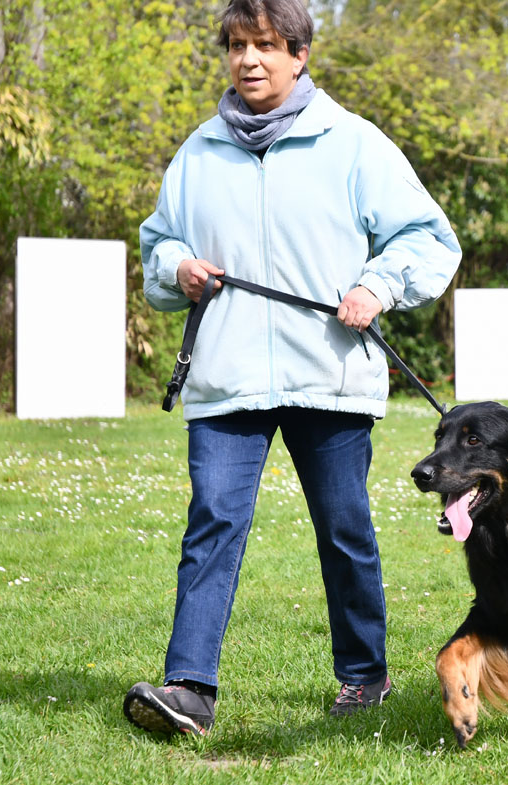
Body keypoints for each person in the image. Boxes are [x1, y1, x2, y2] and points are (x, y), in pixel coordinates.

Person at [122, 0, 461, 736]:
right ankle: (189, 690)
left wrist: (377, 285)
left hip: (330, 376)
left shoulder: (355, 144)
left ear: (300, 53)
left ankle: (364, 678)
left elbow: (430, 239)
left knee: (344, 527)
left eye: (266, 45)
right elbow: (158, 245)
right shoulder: (198, 152)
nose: (249, 60)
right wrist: (177, 266)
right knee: (212, 522)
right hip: (226, 377)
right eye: (238, 46)